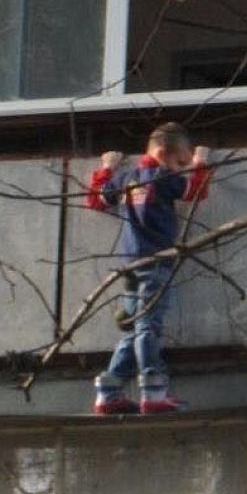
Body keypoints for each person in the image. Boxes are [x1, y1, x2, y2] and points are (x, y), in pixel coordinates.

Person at [85, 122, 212, 415]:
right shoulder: (162, 176)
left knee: (133, 330)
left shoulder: (127, 178)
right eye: (181, 160)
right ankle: (153, 390)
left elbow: (97, 199)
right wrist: (200, 162)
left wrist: (106, 168)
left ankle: (109, 391)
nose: (183, 166)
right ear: (164, 153)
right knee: (148, 326)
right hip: (156, 260)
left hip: (130, 264)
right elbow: (195, 191)